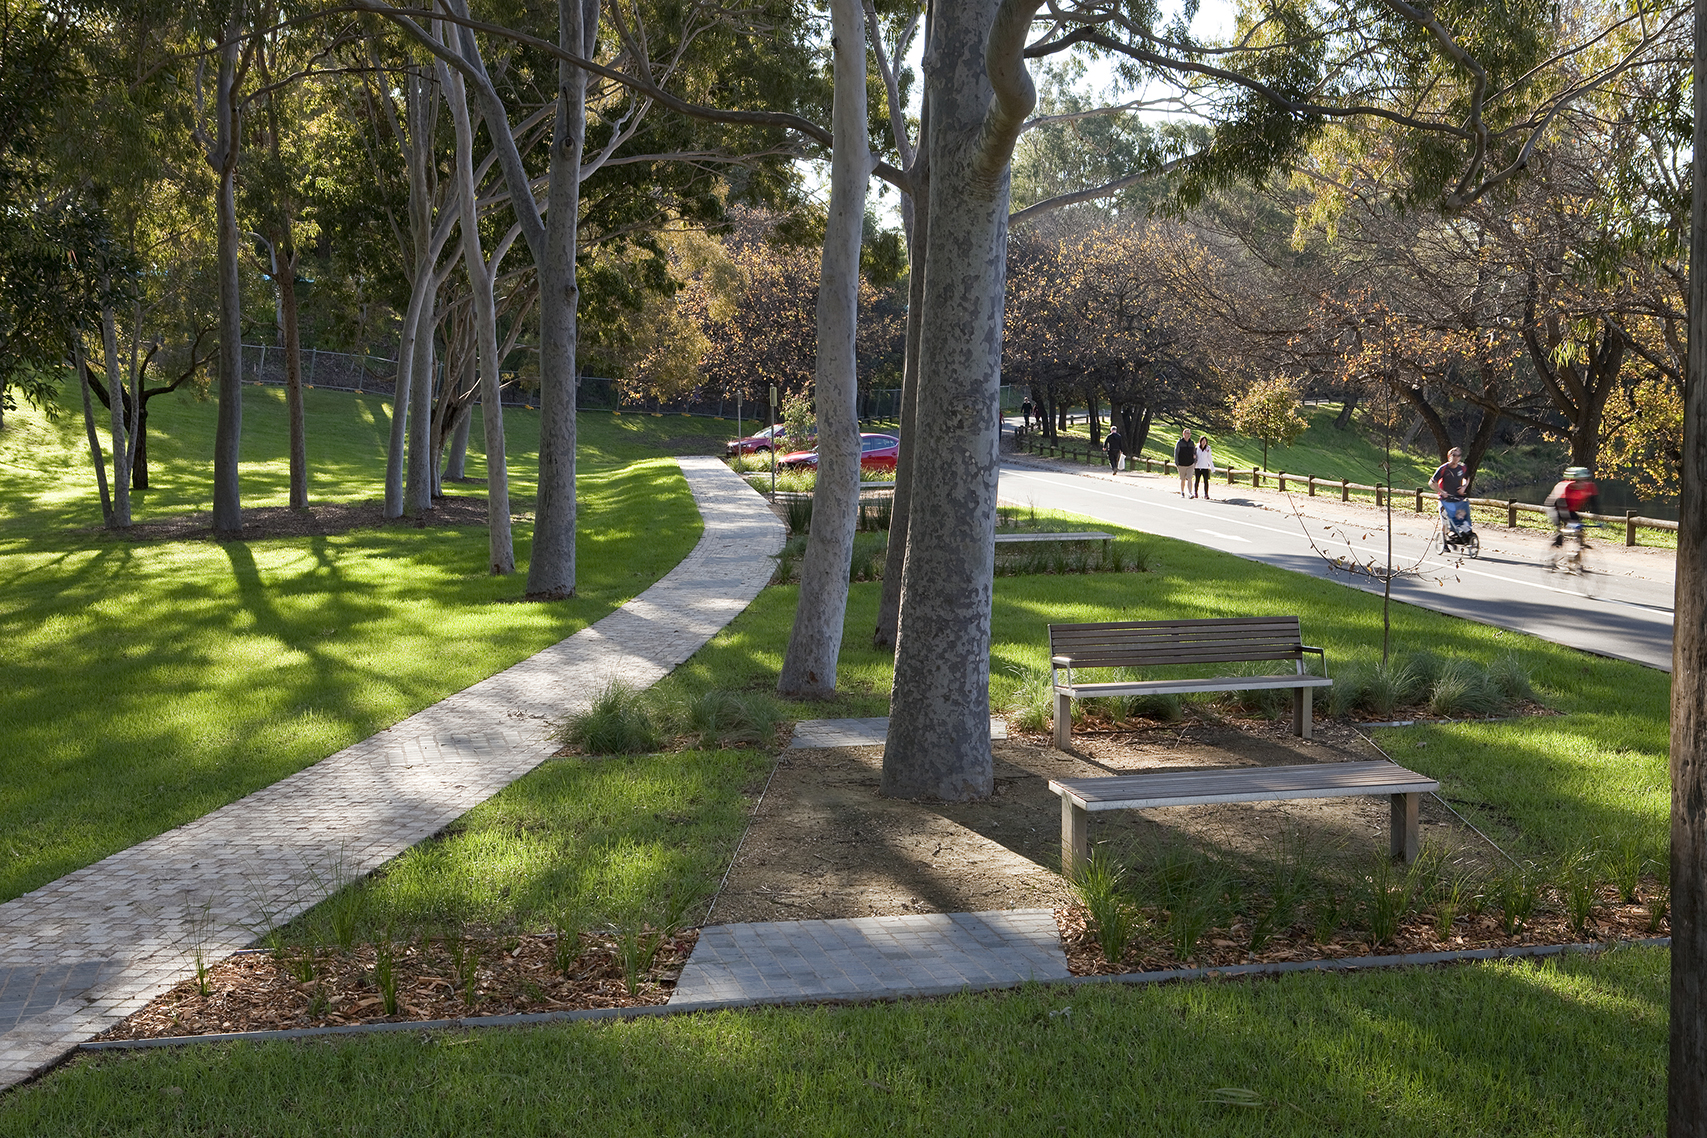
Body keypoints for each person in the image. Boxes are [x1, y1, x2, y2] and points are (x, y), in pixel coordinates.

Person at [1546, 466, 1601, 547]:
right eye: (1577, 481)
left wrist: (1598, 519)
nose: (1580, 484)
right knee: (1560, 529)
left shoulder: (1590, 487)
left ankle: (1580, 546)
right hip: (1556, 508)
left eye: (1584, 480)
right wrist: (1569, 521)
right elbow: (1561, 506)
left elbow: (1594, 504)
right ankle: (1558, 540)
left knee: (1580, 529)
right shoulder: (1564, 487)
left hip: (1570, 509)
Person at [1173, 426, 1196, 498]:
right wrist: (1177, 462)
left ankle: (1190, 493)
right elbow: (1176, 453)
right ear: (1183, 434)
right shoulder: (1179, 443)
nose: (1188, 435)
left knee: (1190, 478)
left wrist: (1194, 461)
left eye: (1189, 433)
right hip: (1181, 464)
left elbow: (1194, 452)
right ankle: (1182, 492)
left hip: (1190, 464)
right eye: (1187, 433)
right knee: (1182, 479)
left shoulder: (1192, 443)